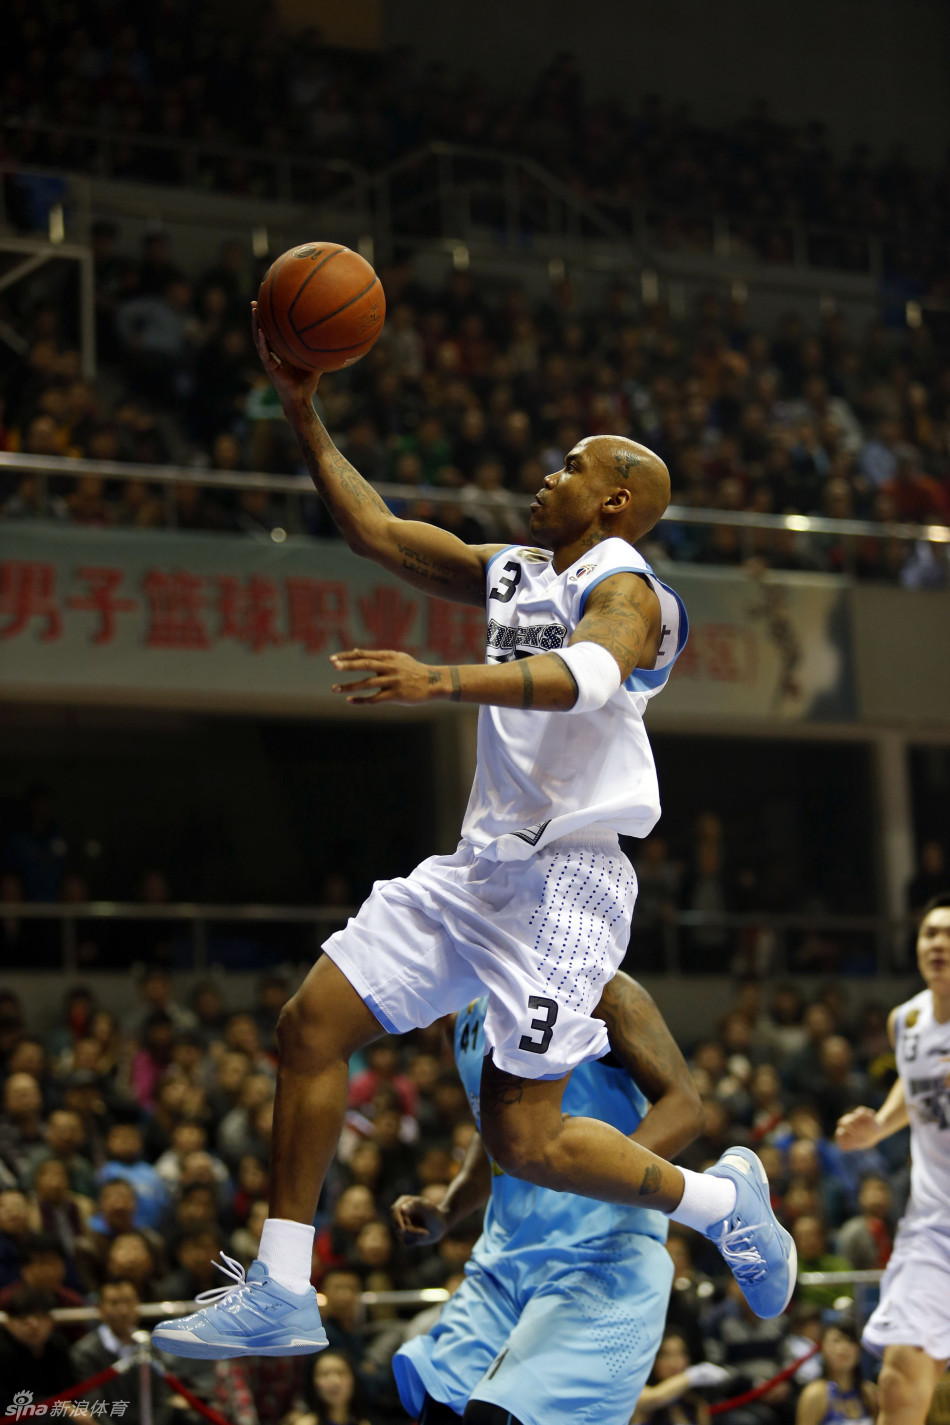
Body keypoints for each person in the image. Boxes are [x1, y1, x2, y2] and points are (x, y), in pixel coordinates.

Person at [153, 305, 795, 1361]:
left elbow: (587, 676)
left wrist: (439, 679)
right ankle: (278, 1287)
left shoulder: (624, 587)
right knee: (307, 1027)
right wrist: (303, 411)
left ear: (617, 500)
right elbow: (383, 535)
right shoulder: (518, 573)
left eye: (569, 467)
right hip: (479, 870)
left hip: (571, 885)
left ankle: (718, 1201)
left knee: (524, 1141)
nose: (546, 476)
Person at [390, 972, 704, 1425]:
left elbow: (686, 1107)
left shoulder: (604, 988)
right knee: (440, 1411)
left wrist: (603, 1174)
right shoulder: (459, 1017)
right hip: (503, 1263)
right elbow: (497, 1133)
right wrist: (448, 1209)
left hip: (599, 1257)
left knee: (494, 1416)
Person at [835, 893, 950, 1425]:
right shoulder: (905, 1022)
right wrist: (880, 1123)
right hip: (934, 1229)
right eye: (931, 934)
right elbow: (915, 1088)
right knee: (900, 1380)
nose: (939, 945)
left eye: (949, 936)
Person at [632, 1331, 731, 1425]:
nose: (676, 1362)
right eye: (667, 1355)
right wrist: (695, 1375)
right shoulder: (640, 1394)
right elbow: (656, 1397)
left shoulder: (695, 1404)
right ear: (654, 1361)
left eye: (681, 1353)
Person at [795, 1322, 875, 1425]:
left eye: (850, 1341)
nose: (844, 1347)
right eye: (836, 1341)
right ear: (822, 1348)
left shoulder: (869, 1393)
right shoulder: (815, 1394)